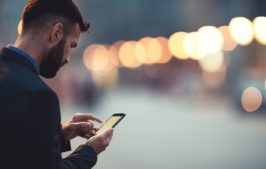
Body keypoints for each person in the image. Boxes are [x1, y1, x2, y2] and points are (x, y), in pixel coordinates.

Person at [0, 0, 114, 169]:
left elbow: (11, 149)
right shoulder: (40, 96)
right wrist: (89, 151)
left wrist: (59, 135)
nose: (68, 58)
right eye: (71, 45)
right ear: (57, 32)